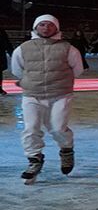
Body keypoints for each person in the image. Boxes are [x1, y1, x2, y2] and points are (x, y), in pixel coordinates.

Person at [7, 14, 86, 183]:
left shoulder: (68, 49)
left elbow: (77, 70)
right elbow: (17, 70)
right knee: (31, 128)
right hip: (32, 95)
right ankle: (34, 160)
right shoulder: (23, 48)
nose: (46, 28)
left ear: (56, 28)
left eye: (50, 25)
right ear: (36, 27)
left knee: (58, 128)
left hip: (60, 95)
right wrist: (31, 82)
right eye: (42, 24)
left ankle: (66, 150)